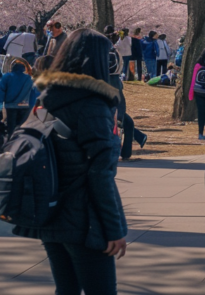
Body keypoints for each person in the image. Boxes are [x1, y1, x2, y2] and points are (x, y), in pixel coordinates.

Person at [14, 29, 128, 293]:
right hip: (83, 220)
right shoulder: (93, 107)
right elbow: (100, 174)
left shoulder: (45, 100)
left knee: (66, 290)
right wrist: (115, 229)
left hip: (49, 212)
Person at [1, 61, 36, 142]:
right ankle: (18, 144)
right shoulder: (28, 78)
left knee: (11, 127)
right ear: (23, 69)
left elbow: (2, 90)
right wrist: (31, 106)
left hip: (10, 106)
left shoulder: (7, 77)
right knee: (21, 127)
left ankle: (9, 144)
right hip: (24, 106)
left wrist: (0, 103)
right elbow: (33, 94)